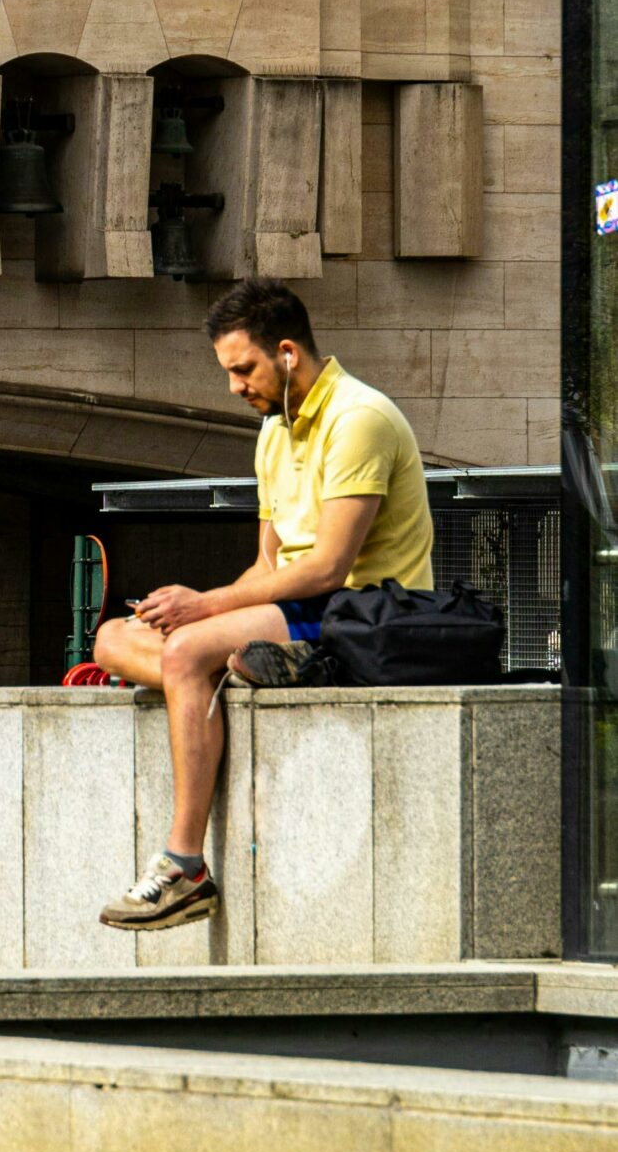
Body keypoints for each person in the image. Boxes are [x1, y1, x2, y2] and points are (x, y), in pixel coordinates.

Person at [92, 276, 433, 934]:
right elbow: (267, 565)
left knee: (188, 649)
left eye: (241, 368)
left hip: (363, 612)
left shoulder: (358, 418)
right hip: (302, 608)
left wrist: (205, 611)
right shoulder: (273, 433)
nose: (233, 386)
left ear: (284, 353)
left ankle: (184, 867)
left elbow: (328, 566)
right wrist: (196, 613)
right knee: (111, 638)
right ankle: (252, 664)